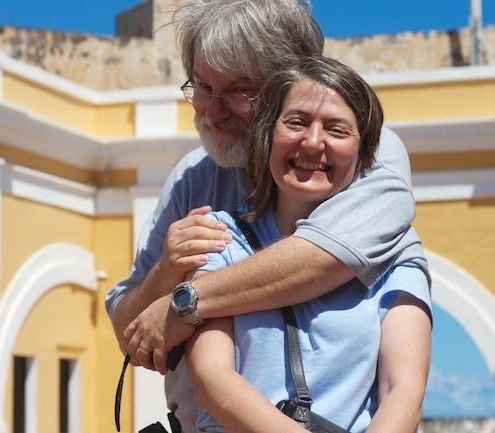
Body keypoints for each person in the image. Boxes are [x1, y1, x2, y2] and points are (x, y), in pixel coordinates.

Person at [105, 0, 430, 431]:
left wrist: (185, 301)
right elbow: (138, 336)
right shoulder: (194, 183)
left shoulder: (375, 160)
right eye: (202, 87)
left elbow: (319, 258)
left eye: (239, 91)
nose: (213, 111)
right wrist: (167, 272)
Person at [184, 56, 432, 433]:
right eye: (296, 122)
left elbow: (403, 391)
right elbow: (211, 379)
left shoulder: (396, 254)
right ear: (268, 134)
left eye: (336, 130)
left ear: (363, 152)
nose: (313, 142)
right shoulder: (220, 237)